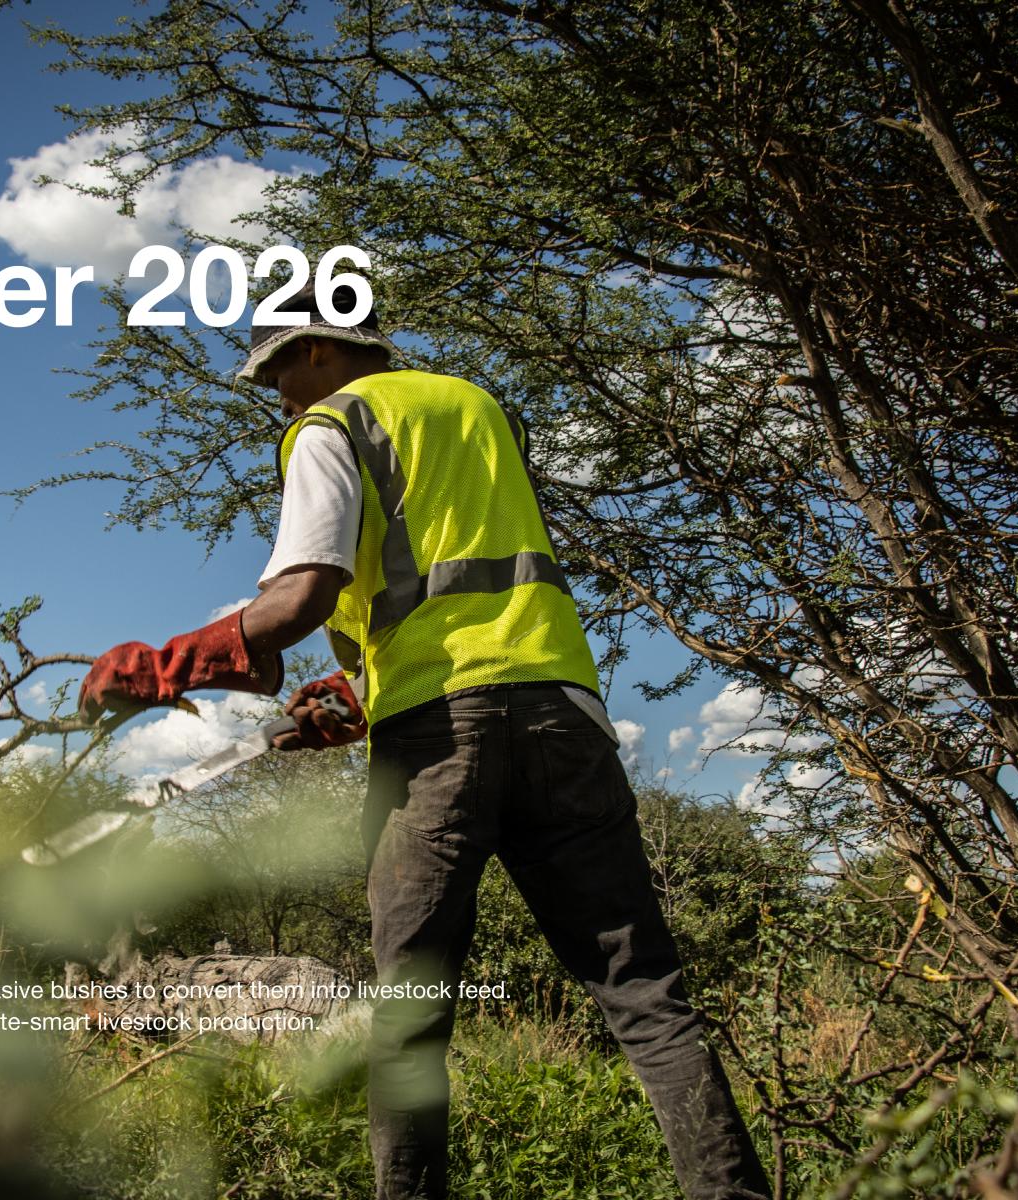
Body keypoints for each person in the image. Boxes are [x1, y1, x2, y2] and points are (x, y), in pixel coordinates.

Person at [78, 289, 768, 1200]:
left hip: (441, 736)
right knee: (646, 997)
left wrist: (169, 664)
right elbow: (451, 583)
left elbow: (302, 596)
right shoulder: (478, 408)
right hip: (562, 711)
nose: (280, 395)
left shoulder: (334, 422)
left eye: (281, 370)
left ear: (320, 350)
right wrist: (362, 692)